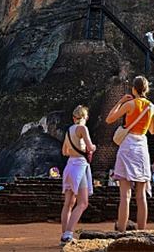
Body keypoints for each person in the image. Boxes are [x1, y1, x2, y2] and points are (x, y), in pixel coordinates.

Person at [106, 76, 154, 232]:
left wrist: (120, 101)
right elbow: (153, 130)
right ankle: (141, 232)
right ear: (146, 89)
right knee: (141, 196)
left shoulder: (129, 104)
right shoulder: (152, 107)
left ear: (133, 89)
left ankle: (121, 231)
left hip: (128, 146)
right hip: (141, 146)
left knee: (125, 196)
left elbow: (109, 119)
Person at [60, 105, 96, 245]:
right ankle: (68, 234)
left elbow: (64, 152)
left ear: (74, 117)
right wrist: (92, 148)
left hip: (69, 166)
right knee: (83, 203)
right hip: (80, 167)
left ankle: (64, 234)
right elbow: (90, 146)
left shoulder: (69, 130)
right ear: (86, 117)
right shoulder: (82, 128)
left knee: (68, 204)